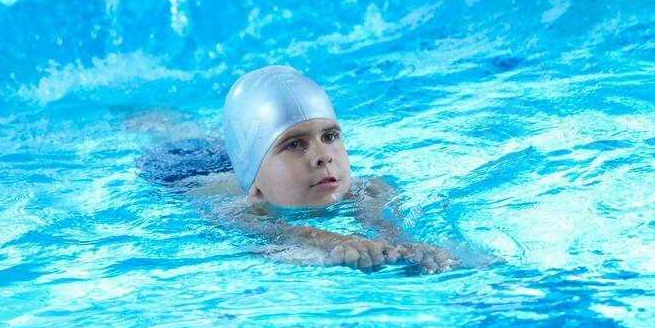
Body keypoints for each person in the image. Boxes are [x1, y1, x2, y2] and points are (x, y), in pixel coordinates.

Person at [135, 65, 459, 272]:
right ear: (257, 186)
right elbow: (273, 234)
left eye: (330, 136)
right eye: (294, 144)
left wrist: (409, 247)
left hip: (253, 150)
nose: (322, 156)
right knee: (172, 131)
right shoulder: (236, 210)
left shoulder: (371, 189)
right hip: (186, 168)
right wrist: (332, 241)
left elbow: (388, 229)